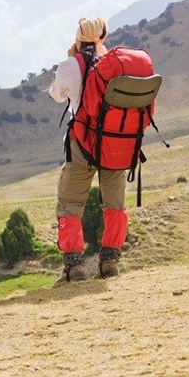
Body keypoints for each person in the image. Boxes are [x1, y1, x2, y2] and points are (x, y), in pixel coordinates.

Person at [48, 17, 127, 281]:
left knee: (70, 204)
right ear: (103, 35)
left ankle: (75, 267)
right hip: (116, 144)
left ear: (78, 36)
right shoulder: (117, 64)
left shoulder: (71, 64)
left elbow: (57, 95)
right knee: (115, 204)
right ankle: (110, 263)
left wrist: (70, 60)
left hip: (82, 143)